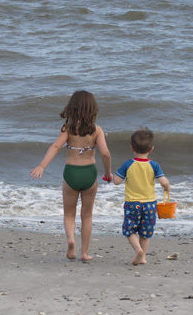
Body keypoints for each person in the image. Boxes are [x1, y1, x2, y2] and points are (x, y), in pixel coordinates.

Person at [31, 90, 113, 261]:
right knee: (87, 215)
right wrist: (107, 173)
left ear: (72, 108)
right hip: (89, 174)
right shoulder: (97, 130)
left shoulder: (67, 129)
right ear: (93, 110)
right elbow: (105, 154)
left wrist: (41, 166)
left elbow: (55, 147)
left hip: (71, 174)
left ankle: (70, 241)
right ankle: (84, 253)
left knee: (69, 214)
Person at [113, 127, 171, 265]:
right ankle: (143, 256)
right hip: (150, 204)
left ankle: (137, 250)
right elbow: (164, 182)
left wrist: (112, 175)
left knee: (129, 230)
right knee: (145, 233)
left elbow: (116, 181)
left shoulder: (128, 164)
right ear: (151, 149)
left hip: (132, 203)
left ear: (132, 148)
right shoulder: (154, 165)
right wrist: (167, 187)